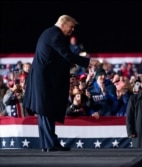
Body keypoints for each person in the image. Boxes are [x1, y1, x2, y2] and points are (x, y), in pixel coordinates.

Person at [23, 15, 96, 152]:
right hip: (43, 79)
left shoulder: (49, 32)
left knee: (45, 111)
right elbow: (67, 54)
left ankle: (47, 144)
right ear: (63, 24)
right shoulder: (56, 35)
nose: (72, 29)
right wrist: (87, 62)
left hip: (43, 78)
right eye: (71, 26)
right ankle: (51, 144)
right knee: (45, 110)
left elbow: (59, 57)